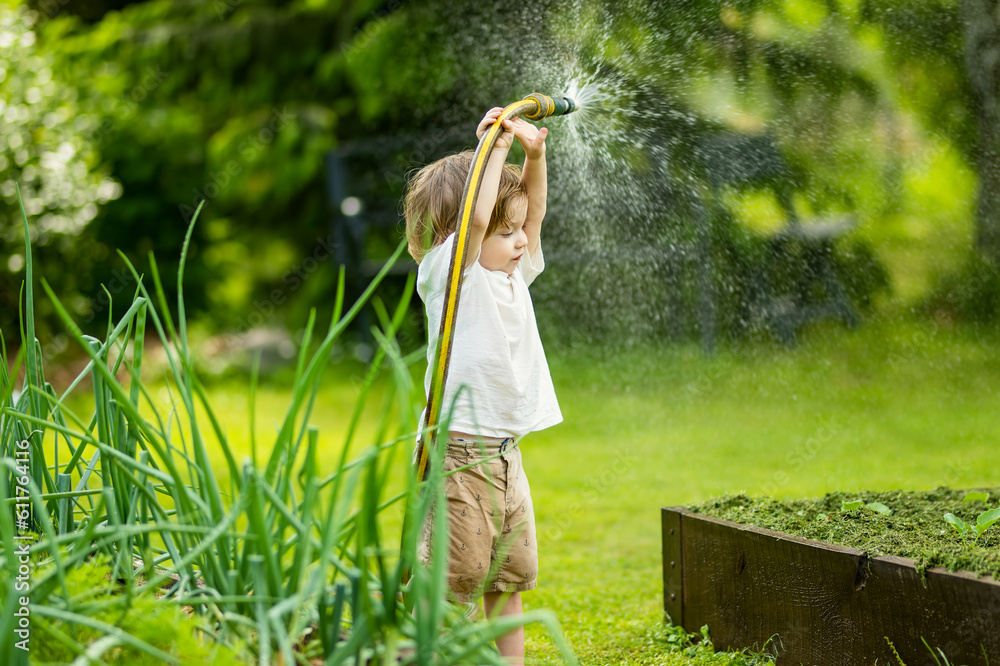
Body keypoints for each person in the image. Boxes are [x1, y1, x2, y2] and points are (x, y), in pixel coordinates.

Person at [403, 107, 562, 662]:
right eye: (506, 231)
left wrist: (532, 156)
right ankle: (424, 654)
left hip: (504, 453)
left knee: (508, 580)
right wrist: (493, 151)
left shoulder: (511, 274)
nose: (521, 241)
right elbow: (474, 222)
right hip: (460, 455)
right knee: (450, 579)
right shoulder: (452, 277)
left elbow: (534, 213)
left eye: (518, 231)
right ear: (456, 234)